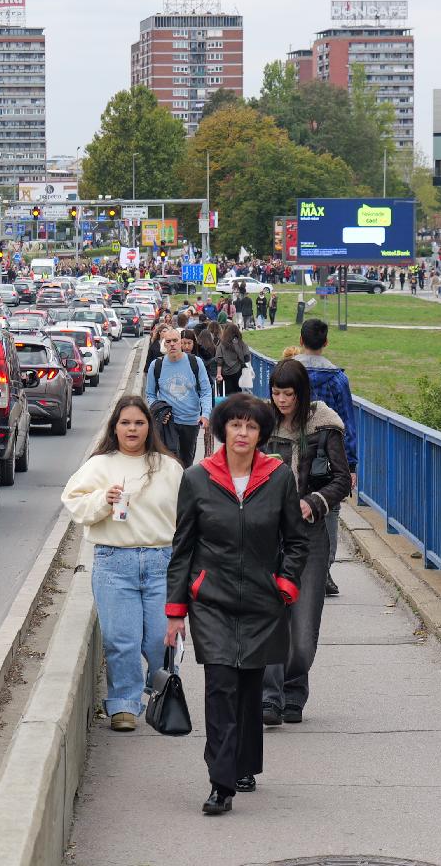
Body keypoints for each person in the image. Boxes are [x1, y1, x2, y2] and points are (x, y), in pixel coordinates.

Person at [165, 393, 309, 815]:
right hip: (212, 601)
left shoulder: (279, 477)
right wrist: (176, 610)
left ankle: (244, 765)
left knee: (249, 685)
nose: (243, 433)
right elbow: (182, 549)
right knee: (221, 684)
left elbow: (297, 541)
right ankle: (220, 782)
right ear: (223, 429)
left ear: (261, 433)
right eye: (235, 425)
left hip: (264, 601)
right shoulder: (197, 478)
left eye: (251, 426)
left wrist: (285, 583)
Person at [62, 395, 183, 732]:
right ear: (115, 427)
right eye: (125, 423)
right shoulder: (100, 465)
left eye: (139, 422)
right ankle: (124, 704)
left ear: (149, 427)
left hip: (161, 560)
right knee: (122, 638)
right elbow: (73, 503)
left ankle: (157, 691)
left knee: (160, 638)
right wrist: (104, 500)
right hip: (115, 562)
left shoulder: (168, 467)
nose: (132, 429)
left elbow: (189, 515)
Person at [261, 359, 351, 726]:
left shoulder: (324, 427)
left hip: (309, 537)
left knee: (303, 632)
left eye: (288, 394)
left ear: (302, 393)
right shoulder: (260, 423)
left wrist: (313, 503)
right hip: (266, 535)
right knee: (270, 619)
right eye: (276, 393)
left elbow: (342, 480)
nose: (281, 400)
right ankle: (270, 696)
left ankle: (294, 690)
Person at [295, 318, 359, 597]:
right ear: (326, 343)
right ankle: (324, 570)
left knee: (293, 506)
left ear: (300, 340)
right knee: (330, 509)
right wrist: (351, 464)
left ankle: (296, 567)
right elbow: (347, 422)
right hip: (327, 455)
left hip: (294, 451)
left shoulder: (288, 372)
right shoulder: (337, 379)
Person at [143, 328, 213, 468]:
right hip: (167, 423)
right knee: (169, 464)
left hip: (190, 421)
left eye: (175, 340)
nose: (172, 344)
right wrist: (159, 411)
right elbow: (150, 394)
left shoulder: (195, 363)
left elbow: (206, 391)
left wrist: (205, 414)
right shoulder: (156, 365)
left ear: (181, 342)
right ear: (164, 344)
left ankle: (183, 489)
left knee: (186, 464)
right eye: (168, 341)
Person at [216, 321, 249, 392]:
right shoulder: (240, 343)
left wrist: (218, 374)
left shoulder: (222, 345)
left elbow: (219, 360)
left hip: (225, 373)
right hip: (238, 371)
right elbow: (247, 357)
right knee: (238, 393)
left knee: (226, 394)